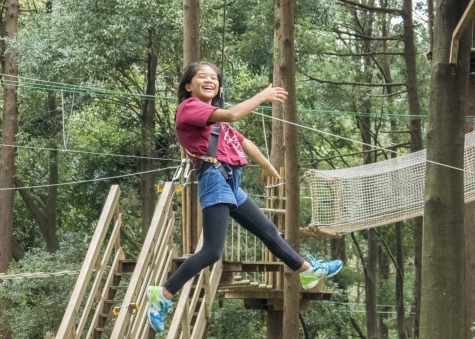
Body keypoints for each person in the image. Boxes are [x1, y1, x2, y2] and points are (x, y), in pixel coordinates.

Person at [146, 61, 343, 333]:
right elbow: (234, 115)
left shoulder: (215, 120)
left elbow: (243, 141)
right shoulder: (189, 109)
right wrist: (262, 96)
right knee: (212, 251)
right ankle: (163, 294)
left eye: (214, 78)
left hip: (231, 182)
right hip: (214, 178)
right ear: (188, 86)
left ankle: (307, 272)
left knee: (269, 231)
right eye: (201, 76)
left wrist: (267, 164)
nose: (209, 80)